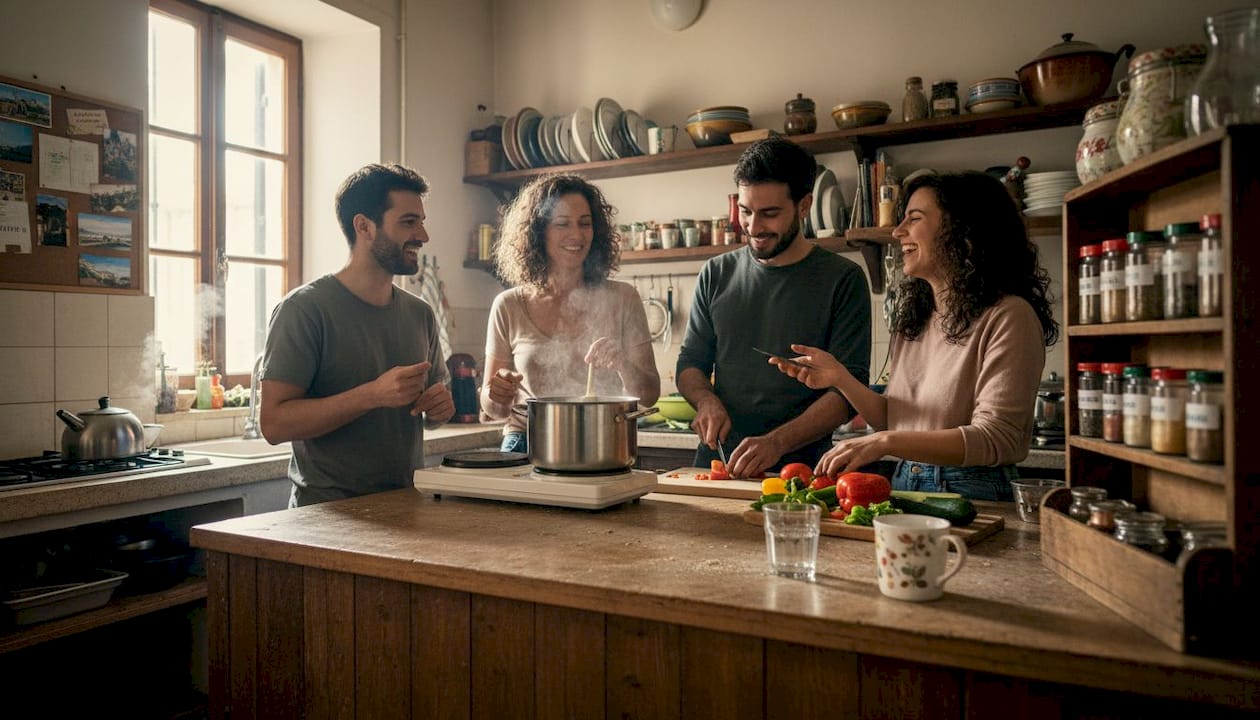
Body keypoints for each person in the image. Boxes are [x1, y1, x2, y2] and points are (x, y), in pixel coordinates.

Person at [773, 170, 1058, 501]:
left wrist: (885, 442)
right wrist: (841, 378)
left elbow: (998, 438)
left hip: (973, 488)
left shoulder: (1009, 316)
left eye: (914, 218)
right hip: (907, 478)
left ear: (963, 230)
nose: (897, 231)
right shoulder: (915, 319)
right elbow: (896, 419)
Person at [259, 163, 455, 507]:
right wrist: (372, 395)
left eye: (421, 222)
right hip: (325, 517)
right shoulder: (304, 309)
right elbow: (273, 424)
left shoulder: (420, 314)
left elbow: (432, 412)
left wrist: (439, 408)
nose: (423, 236)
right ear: (364, 226)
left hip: (406, 508)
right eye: (409, 222)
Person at [675, 137, 871, 478]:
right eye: (746, 211)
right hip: (717, 464)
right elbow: (690, 364)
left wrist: (776, 442)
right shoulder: (716, 273)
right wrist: (706, 401)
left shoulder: (844, 279)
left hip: (800, 473)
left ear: (804, 205)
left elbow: (846, 392)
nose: (753, 227)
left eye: (770, 214)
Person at [480, 174, 660, 452]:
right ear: (538, 232)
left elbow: (649, 396)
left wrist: (622, 362)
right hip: (526, 439)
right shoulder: (508, 305)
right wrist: (497, 393)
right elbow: (494, 409)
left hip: (604, 439)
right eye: (562, 224)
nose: (576, 235)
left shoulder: (624, 298)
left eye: (585, 224)